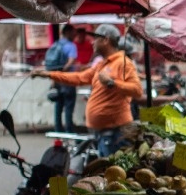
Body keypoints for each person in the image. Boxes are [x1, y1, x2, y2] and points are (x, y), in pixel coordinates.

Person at [33, 24, 142, 156]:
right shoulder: (102, 64)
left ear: (106, 40)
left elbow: (137, 91)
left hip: (115, 133)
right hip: (103, 133)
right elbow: (79, 78)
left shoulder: (123, 63)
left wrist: (112, 83)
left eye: (96, 38)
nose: (92, 42)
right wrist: (49, 74)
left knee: (115, 173)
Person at [48, 24, 79, 133]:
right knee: (68, 109)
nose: (75, 35)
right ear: (67, 32)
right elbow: (71, 62)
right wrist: (63, 73)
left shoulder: (55, 45)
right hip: (68, 82)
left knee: (58, 109)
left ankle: (58, 133)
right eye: (73, 32)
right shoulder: (71, 46)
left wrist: (55, 77)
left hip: (57, 82)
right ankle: (69, 132)